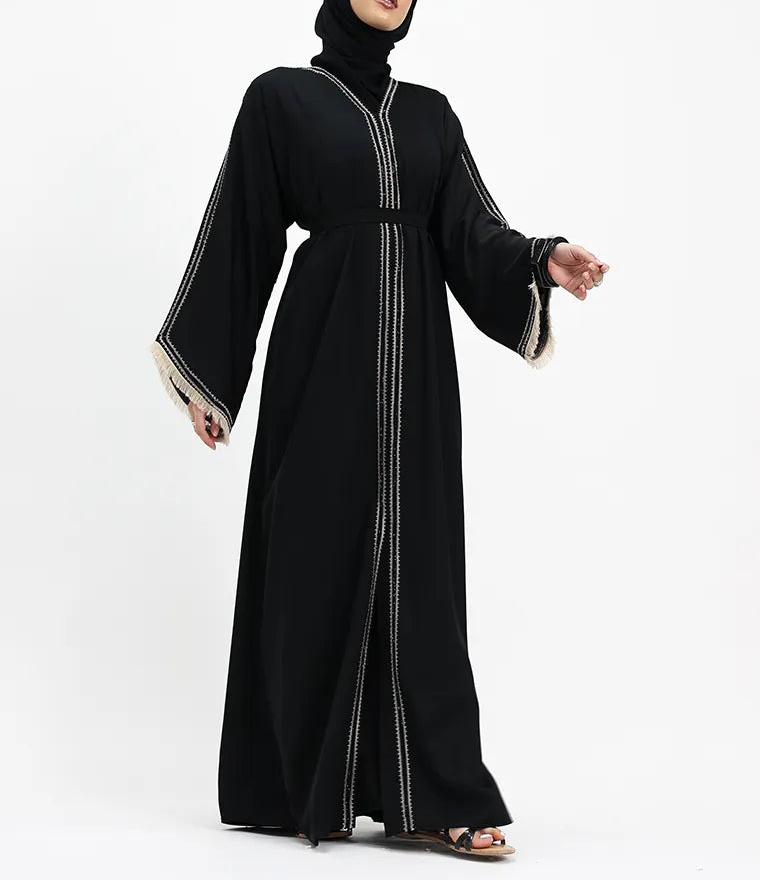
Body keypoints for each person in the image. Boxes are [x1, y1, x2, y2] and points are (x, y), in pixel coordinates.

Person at [149, 0, 609, 859]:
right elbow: (243, 228)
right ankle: (304, 785)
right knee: (312, 548)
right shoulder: (281, 98)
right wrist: (210, 375)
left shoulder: (431, 114)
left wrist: (538, 257)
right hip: (321, 355)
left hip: (417, 371)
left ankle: (437, 793)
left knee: (420, 564)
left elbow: (470, 230)